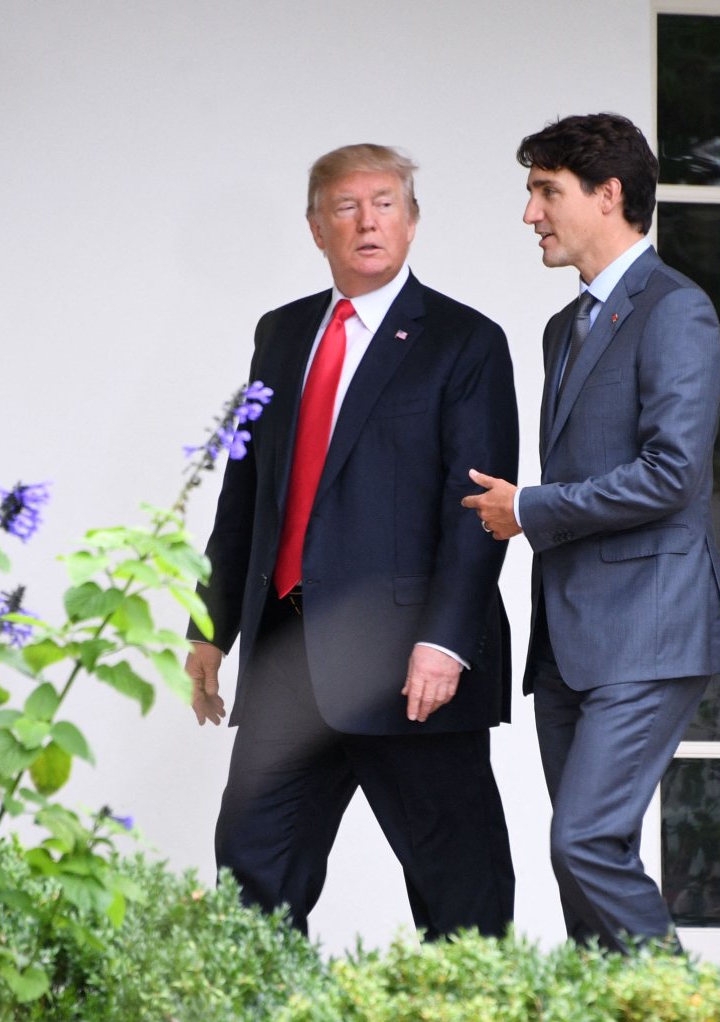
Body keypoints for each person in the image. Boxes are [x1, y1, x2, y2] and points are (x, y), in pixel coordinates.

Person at [184, 144, 519, 939]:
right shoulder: (282, 333)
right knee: (251, 877)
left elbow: (477, 505)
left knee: (458, 886)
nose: (367, 221)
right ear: (315, 228)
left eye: (385, 203)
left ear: (411, 220)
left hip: (413, 664)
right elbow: (246, 492)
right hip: (288, 652)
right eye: (346, 206)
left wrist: (445, 642)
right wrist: (210, 627)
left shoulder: (463, 342)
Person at [463, 113, 720, 951]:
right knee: (588, 856)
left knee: (582, 842)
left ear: (608, 193)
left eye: (547, 192)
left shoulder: (675, 311)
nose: (530, 215)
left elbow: (672, 473)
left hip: (649, 628)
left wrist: (532, 509)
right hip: (570, 641)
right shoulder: (565, 326)